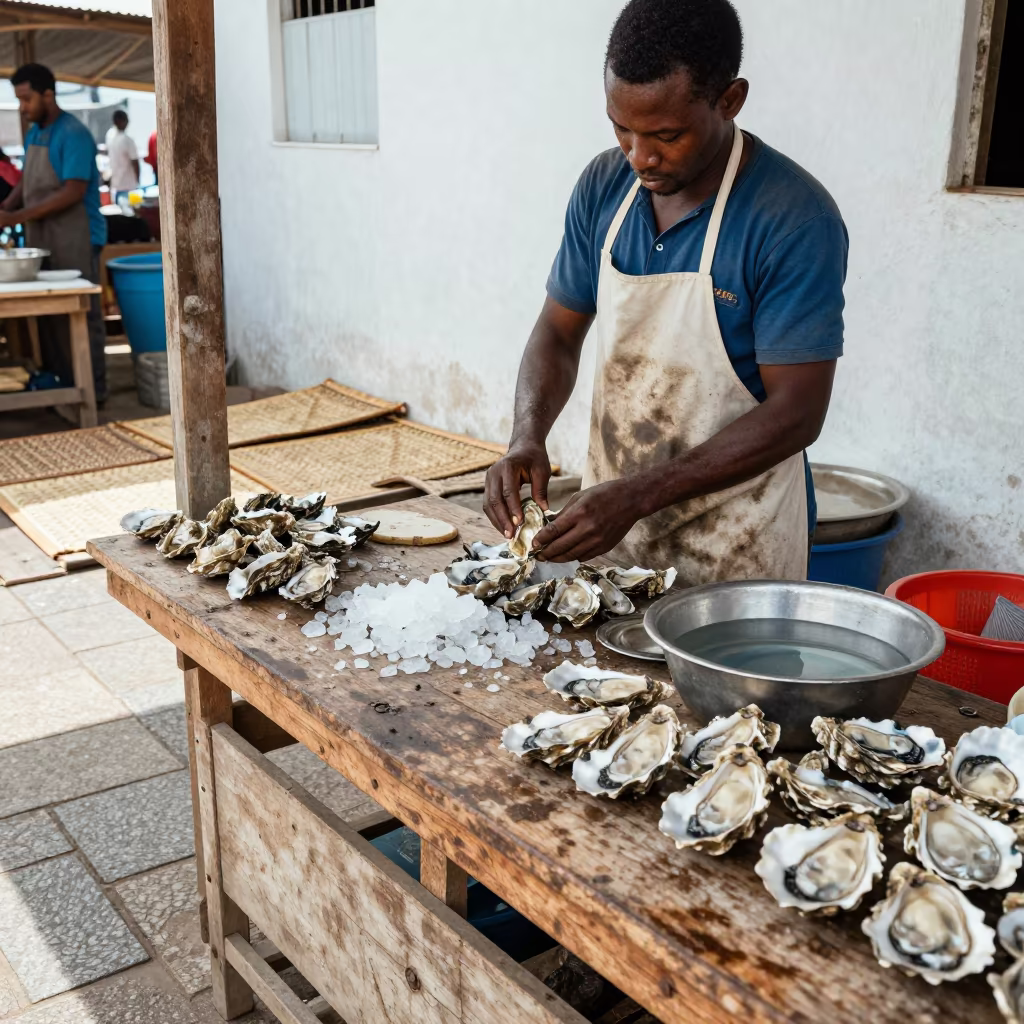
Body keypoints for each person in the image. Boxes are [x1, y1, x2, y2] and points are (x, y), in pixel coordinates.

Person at [484, 0, 847, 586]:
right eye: (621, 128)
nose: (640, 156)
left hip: (736, 549)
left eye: (666, 135)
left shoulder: (792, 218)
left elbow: (797, 413)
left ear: (729, 100)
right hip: (612, 539)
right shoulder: (605, 186)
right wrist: (527, 435)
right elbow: (557, 331)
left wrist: (638, 495)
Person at [0, 63, 108, 400]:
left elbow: (72, 191)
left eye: (27, 99)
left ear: (48, 94)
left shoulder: (73, 133)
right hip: (43, 239)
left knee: (80, 316)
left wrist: (17, 217)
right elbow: (26, 184)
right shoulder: (35, 134)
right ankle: (63, 385)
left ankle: (93, 392)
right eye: (18, 100)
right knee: (50, 321)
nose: (23, 107)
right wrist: (7, 209)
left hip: (76, 238)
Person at [105, 109, 140, 204]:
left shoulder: (109, 135)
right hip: (129, 187)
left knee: (120, 216)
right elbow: (135, 162)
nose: (128, 123)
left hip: (116, 186)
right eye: (126, 120)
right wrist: (138, 182)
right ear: (121, 121)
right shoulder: (127, 140)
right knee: (133, 215)